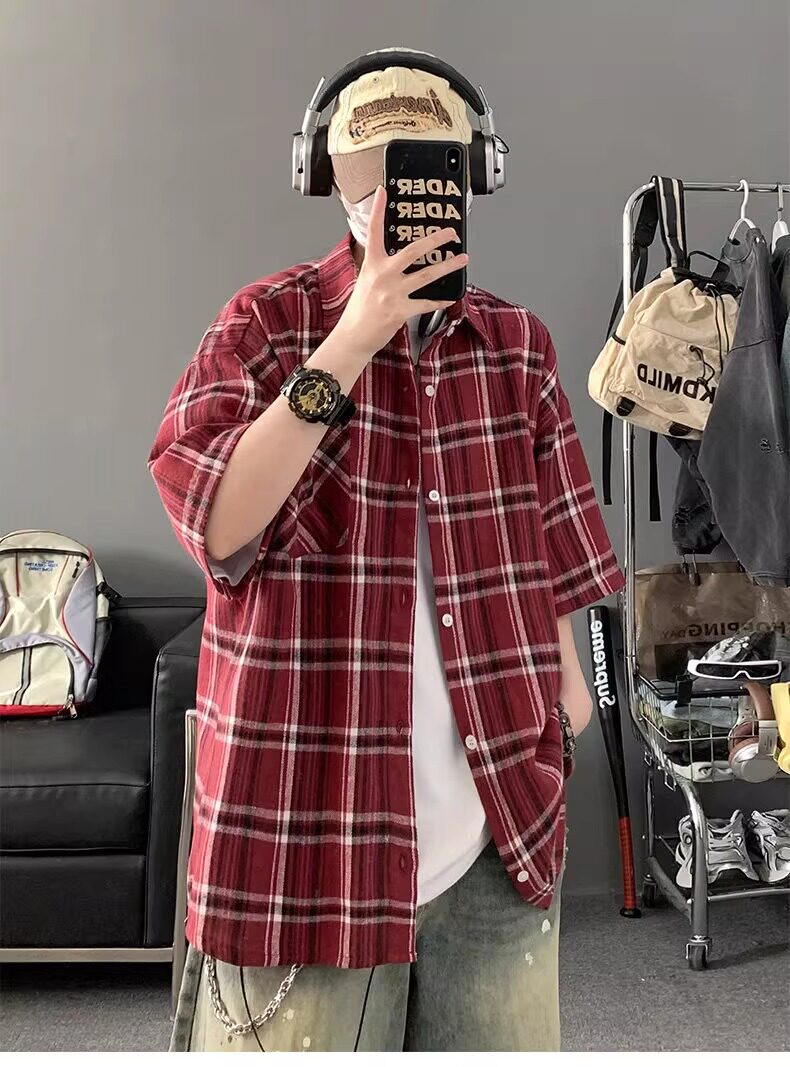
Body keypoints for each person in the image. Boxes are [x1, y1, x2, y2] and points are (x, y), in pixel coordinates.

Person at [149, 54, 625, 1053]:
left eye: (422, 171)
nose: (392, 200)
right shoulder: (264, 325)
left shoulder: (517, 348)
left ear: (471, 179)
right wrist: (351, 343)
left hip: (497, 842)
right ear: (328, 184)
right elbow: (217, 522)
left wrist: (562, 707)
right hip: (304, 847)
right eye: (370, 179)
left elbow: (558, 553)